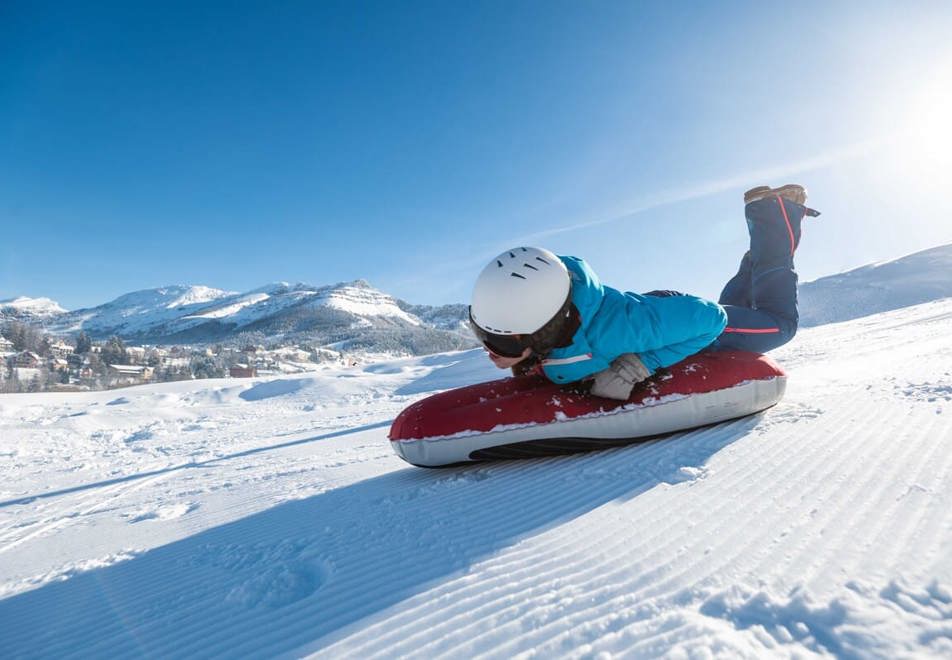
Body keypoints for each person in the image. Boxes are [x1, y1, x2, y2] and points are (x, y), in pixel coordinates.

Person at [468, 184, 820, 400]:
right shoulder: (554, 324)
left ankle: (776, 214)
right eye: (483, 334)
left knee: (778, 324)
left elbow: (711, 319)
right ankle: (764, 239)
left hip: (689, 325)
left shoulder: (621, 330)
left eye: (502, 343)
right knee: (737, 303)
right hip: (654, 316)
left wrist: (640, 364)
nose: (490, 353)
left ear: (545, 328)